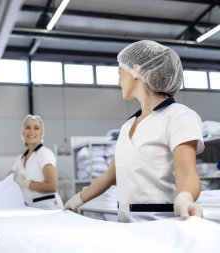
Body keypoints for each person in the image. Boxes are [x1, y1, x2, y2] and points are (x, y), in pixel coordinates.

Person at [64, 40, 205, 223]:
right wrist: (76, 201)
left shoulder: (178, 116)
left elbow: (186, 173)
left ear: (137, 70)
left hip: (163, 225)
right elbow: (110, 175)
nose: (118, 81)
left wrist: (185, 197)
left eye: (119, 72)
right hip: (127, 228)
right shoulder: (127, 126)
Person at [12, 114, 64, 210]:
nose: (31, 131)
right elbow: (9, 180)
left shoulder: (44, 153)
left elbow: (52, 185)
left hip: (50, 209)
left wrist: (25, 183)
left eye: (36, 128)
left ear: (41, 133)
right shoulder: (20, 159)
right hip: (32, 209)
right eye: (27, 127)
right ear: (23, 133)